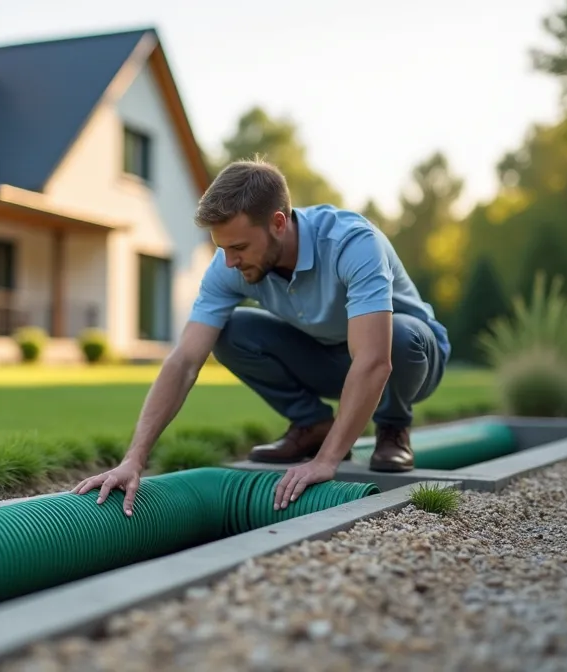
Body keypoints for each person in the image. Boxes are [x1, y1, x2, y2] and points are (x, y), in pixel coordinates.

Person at [72, 157, 451, 517]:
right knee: (231, 331)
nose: (230, 261)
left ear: (278, 223)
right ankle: (312, 425)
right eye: (223, 249)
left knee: (400, 335)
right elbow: (184, 360)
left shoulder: (352, 244)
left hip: (410, 360)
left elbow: (373, 360)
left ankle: (393, 427)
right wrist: (134, 459)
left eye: (239, 247)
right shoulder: (229, 265)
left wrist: (327, 462)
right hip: (328, 358)